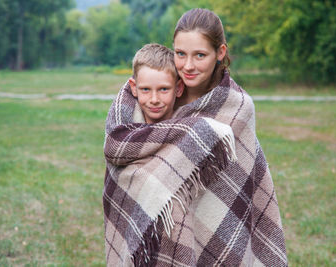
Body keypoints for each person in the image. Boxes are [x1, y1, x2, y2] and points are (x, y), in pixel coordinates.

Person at [103, 8, 287, 267]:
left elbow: (237, 178)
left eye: (200, 55)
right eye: (180, 54)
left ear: (219, 53)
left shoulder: (236, 107)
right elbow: (121, 148)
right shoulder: (158, 89)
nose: (187, 66)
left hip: (212, 224)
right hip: (156, 233)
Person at [128, 43, 184, 124]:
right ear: (134, 87)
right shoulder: (122, 129)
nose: (154, 100)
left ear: (179, 88)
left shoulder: (193, 127)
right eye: (145, 89)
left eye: (164, 89)